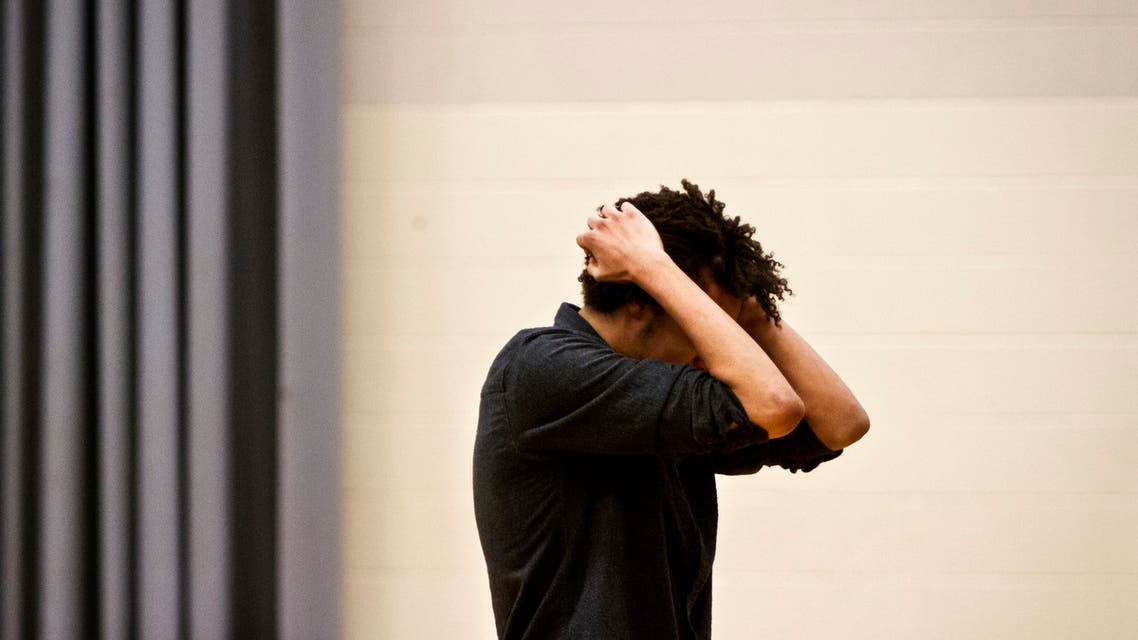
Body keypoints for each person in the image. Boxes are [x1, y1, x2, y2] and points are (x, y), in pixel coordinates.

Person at [473, 180, 869, 639]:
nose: (714, 349)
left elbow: (841, 422)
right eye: (706, 323)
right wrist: (653, 267)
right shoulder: (541, 366)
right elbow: (774, 406)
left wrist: (752, 311)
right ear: (642, 300)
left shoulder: (661, 389)